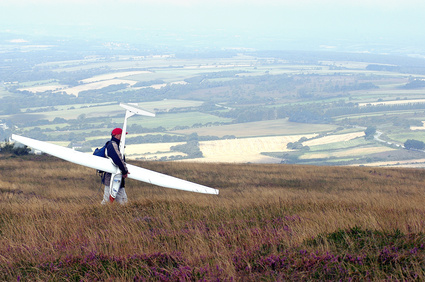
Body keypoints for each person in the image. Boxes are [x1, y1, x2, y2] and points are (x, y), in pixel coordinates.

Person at [101, 128, 130, 204]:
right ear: (117, 135)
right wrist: (124, 171)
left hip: (117, 176)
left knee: (123, 201)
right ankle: (100, 213)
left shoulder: (117, 145)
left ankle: (126, 213)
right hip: (112, 176)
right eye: (122, 135)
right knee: (107, 200)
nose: (123, 137)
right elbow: (117, 159)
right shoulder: (112, 145)